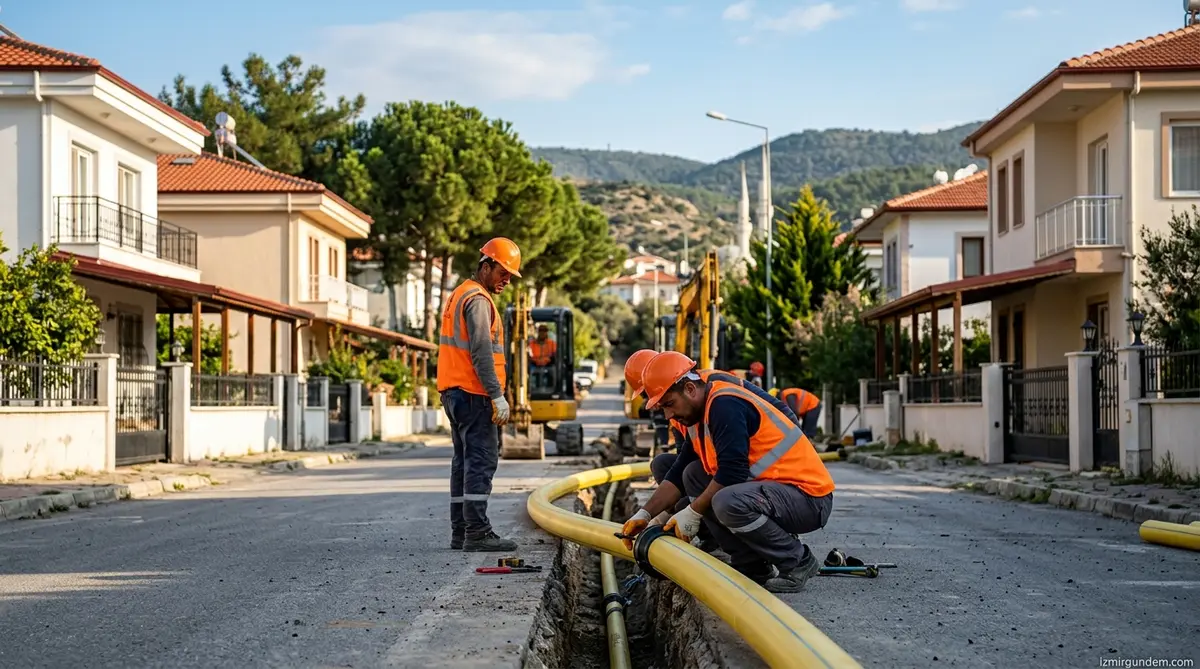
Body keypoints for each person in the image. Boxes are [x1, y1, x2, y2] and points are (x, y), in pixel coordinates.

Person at [621, 351, 835, 593]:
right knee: (693, 474)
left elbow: (732, 471)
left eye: (669, 404)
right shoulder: (699, 415)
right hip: (774, 491)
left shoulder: (724, 405)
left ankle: (797, 560)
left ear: (690, 389)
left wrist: (691, 512)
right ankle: (752, 566)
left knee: (726, 500)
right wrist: (646, 513)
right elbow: (679, 469)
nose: (668, 415)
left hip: (808, 498)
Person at [622, 349, 801, 552]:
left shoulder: (713, 395)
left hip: (765, 459)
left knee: (715, 494)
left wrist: (692, 510)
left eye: (652, 395)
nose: (655, 405)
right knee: (668, 466)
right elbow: (684, 458)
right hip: (734, 457)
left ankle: (758, 542)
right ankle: (712, 535)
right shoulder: (680, 403)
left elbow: (733, 462)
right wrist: (649, 514)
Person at [437, 237, 522, 552]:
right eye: (503, 272)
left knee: (463, 462)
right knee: (481, 461)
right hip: (473, 394)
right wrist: (496, 395)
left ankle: (461, 531)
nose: (506, 280)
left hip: (454, 392)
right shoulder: (477, 300)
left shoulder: (460, 293)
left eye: (510, 275)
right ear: (486, 265)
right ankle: (477, 532)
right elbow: (482, 352)